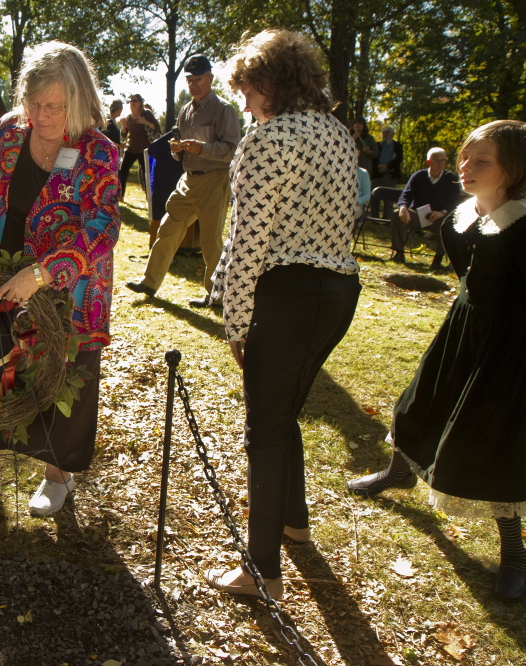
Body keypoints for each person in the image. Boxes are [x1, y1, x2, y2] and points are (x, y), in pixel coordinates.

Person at [204, 30, 361, 600]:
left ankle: (261, 569)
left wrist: (235, 322)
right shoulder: (338, 134)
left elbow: (248, 242)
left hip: (286, 296)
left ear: (269, 82)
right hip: (339, 292)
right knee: (284, 411)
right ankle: (294, 520)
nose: (242, 102)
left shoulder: (268, 137)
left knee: (265, 428)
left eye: (245, 89)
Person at [348, 120, 526, 601]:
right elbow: (464, 269)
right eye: (465, 156)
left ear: (513, 169)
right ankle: (400, 472)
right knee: (421, 401)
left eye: (480, 160)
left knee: (485, 437)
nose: (465, 166)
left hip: (510, 346)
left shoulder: (523, 225)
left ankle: (513, 554)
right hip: (464, 327)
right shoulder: (463, 216)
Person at [0, 42, 120, 517]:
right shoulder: (7, 131)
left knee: (64, 377)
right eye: (32, 103)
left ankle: (58, 477)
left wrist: (43, 273)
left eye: (53, 107)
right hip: (5, 276)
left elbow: (104, 227)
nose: (38, 115)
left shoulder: (97, 151)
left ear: (78, 102)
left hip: (70, 289)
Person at [124, 54, 241, 306]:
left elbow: (232, 149)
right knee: (166, 230)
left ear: (210, 78)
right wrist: (176, 152)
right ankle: (149, 282)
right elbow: (178, 151)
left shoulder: (224, 109)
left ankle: (216, 295)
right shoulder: (185, 112)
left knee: (211, 241)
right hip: (187, 179)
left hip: (214, 179)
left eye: (198, 79)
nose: (194, 84)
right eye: (189, 80)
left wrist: (202, 148)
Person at [389, 147, 462, 268]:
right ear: (429, 162)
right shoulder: (418, 176)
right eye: (437, 160)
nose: (440, 164)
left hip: (438, 218)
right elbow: (406, 194)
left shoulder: (451, 178)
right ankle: (399, 253)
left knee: (450, 223)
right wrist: (403, 207)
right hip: (418, 215)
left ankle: (438, 260)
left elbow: (454, 201)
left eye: (443, 160)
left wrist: (442, 212)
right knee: (397, 214)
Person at [118, 93, 160, 201]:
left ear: (140, 102)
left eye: (135, 100)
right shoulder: (129, 117)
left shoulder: (146, 114)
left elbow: (157, 128)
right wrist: (124, 126)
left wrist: (145, 122)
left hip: (144, 150)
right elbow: (123, 135)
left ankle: (149, 198)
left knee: (147, 174)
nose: (132, 103)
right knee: (122, 171)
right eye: (130, 101)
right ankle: (121, 196)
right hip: (131, 149)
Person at [373, 125, 404, 217]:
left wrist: (387, 166)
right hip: (377, 174)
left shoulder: (397, 146)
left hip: (390, 174)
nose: (385, 134)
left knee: (389, 197)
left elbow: (399, 159)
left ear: (392, 134)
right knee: (375, 196)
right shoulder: (377, 145)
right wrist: (378, 166)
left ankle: (387, 217)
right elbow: (373, 158)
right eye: (384, 132)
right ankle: (374, 217)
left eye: (388, 132)